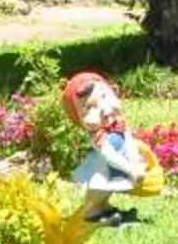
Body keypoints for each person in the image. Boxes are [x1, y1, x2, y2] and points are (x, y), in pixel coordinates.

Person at [60, 70, 162, 222]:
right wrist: (130, 169)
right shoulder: (99, 137)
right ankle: (91, 211)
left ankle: (104, 207)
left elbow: (128, 141)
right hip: (102, 168)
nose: (103, 108)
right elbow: (109, 155)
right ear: (79, 120)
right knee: (100, 188)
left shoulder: (118, 124)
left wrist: (136, 159)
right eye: (89, 107)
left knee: (109, 188)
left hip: (117, 167)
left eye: (104, 96)